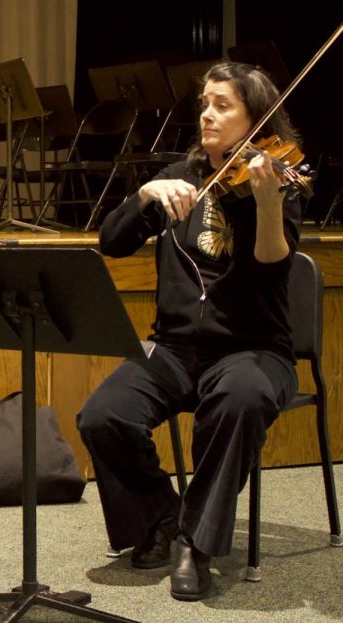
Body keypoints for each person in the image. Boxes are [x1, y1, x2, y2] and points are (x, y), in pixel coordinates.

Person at [77, 62, 302, 602]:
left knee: (239, 399)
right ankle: (161, 516)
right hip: (176, 347)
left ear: (256, 116)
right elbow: (110, 242)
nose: (207, 113)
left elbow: (273, 267)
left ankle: (195, 546)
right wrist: (146, 195)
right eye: (205, 102)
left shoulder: (279, 176)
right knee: (102, 416)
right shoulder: (182, 174)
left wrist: (270, 204)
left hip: (254, 349)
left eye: (223, 104)